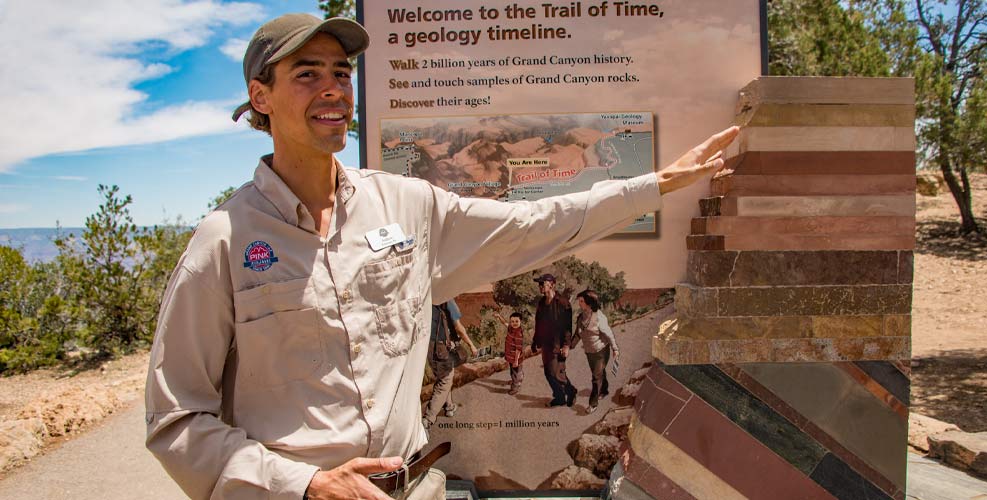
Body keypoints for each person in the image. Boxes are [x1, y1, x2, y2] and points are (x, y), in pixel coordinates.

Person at [143, 12, 739, 500]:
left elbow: (532, 225)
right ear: (260, 97)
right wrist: (305, 484)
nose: (332, 89)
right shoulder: (222, 241)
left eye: (341, 73)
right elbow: (176, 421)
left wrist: (653, 184)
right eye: (306, 74)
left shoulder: (407, 206)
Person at [423, 300, 476, 430]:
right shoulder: (447, 300)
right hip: (441, 348)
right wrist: (471, 345)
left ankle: (449, 406)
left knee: (444, 376)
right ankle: (428, 419)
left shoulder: (427, 299)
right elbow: (459, 327)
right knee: (445, 380)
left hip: (429, 347)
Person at [530, 274, 577, 408]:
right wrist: (535, 341)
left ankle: (571, 391)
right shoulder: (541, 303)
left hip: (559, 343)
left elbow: (568, 327)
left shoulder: (563, 303)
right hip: (546, 343)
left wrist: (567, 345)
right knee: (548, 372)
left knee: (557, 372)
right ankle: (560, 397)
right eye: (539, 284)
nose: (539, 286)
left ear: (552, 284)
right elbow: (538, 324)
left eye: (542, 284)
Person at [572, 290, 619, 414]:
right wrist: (569, 347)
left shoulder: (599, 317)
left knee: (596, 377)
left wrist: (615, 348)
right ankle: (604, 390)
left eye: (582, 301)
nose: (579, 303)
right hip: (589, 352)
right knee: (599, 372)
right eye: (579, 301)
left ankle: (593, 404)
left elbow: (609, 334)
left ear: (589, 303)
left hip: (601, 351)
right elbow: (577, 335)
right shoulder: (581, 317)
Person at [494, 311, 526, 395]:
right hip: (511, 357)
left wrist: (516, 361)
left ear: (520, 321)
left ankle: (515, 387)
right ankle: (517, 380)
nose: (514, 323)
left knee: (515, 372)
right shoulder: (511, 328)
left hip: (516, 358)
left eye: (516, 321)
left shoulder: (518, 334)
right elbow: (505, 323)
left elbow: (518, 349)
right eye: (512, 321)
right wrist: (499, 316)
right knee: (515, 371)